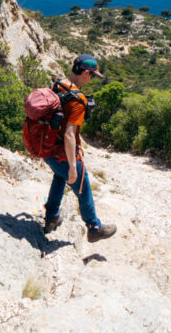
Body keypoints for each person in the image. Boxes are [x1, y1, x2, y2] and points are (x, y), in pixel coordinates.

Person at [42, 54, 117, 243]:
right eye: (91, 75)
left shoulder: (58, 85)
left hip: (48, 147)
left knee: (60, 177)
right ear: (85, 73)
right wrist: (73, 166)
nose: (91, 79)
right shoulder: (78, 100)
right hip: (64, 153)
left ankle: (51, 217)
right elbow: (69, 134)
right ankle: (94, 228)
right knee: (83, 188)